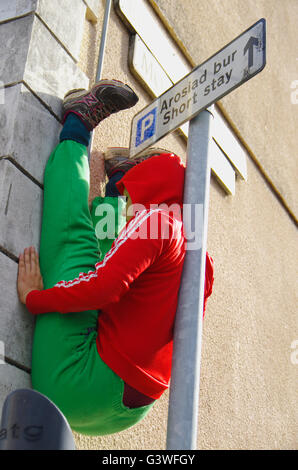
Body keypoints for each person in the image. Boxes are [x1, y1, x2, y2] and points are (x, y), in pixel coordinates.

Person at [17, 79, 214, 436]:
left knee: (75, 243)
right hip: (123, 415)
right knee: (122, 259)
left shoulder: (159, 222)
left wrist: (36, 298)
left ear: (155, 187)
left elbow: (102, 288)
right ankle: (116, 181)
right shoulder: (201, 257)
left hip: (77, 384)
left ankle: (76, 127)